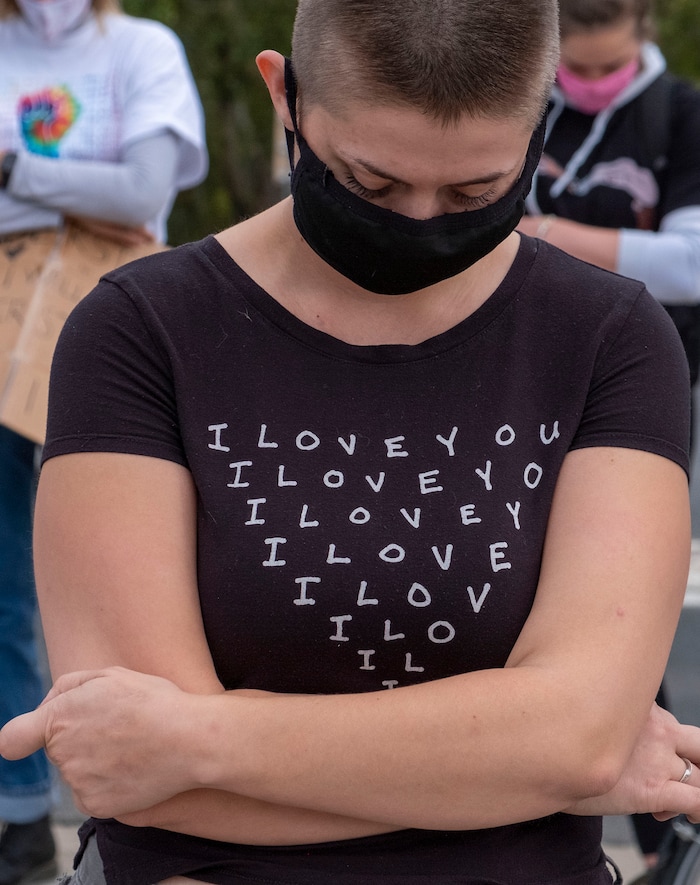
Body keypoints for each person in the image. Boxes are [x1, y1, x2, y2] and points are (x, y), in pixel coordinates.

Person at [0, 1, 699, 883]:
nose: (420, 220)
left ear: (539, 128)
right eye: (371, 185)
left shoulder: (611, 337)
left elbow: (580, 739)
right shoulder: (140, 328)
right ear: (283, 95)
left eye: (475, 192)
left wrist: (197, 736)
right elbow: (146, 788)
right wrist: (526, 765)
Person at [0, 0, 207, 882]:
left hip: (112, 325)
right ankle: (20, 811)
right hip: (9, 325)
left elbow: (144, 193)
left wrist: (12, 166)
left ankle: (160, 801)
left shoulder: (141, 47)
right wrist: (87, 185)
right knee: (6, 585)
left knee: (132, 584)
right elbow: (115, 187)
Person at [517, 0, 700, 874]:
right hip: (516, 382)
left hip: (640, 390)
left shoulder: (683, 114)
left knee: (632, 618)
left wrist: (541, 237)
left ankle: (673, 842)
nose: (588, 88)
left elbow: (692, 262)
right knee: (532, 606)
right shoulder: (522, 95)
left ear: (645, 29)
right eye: (574, 72)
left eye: (606, 69)